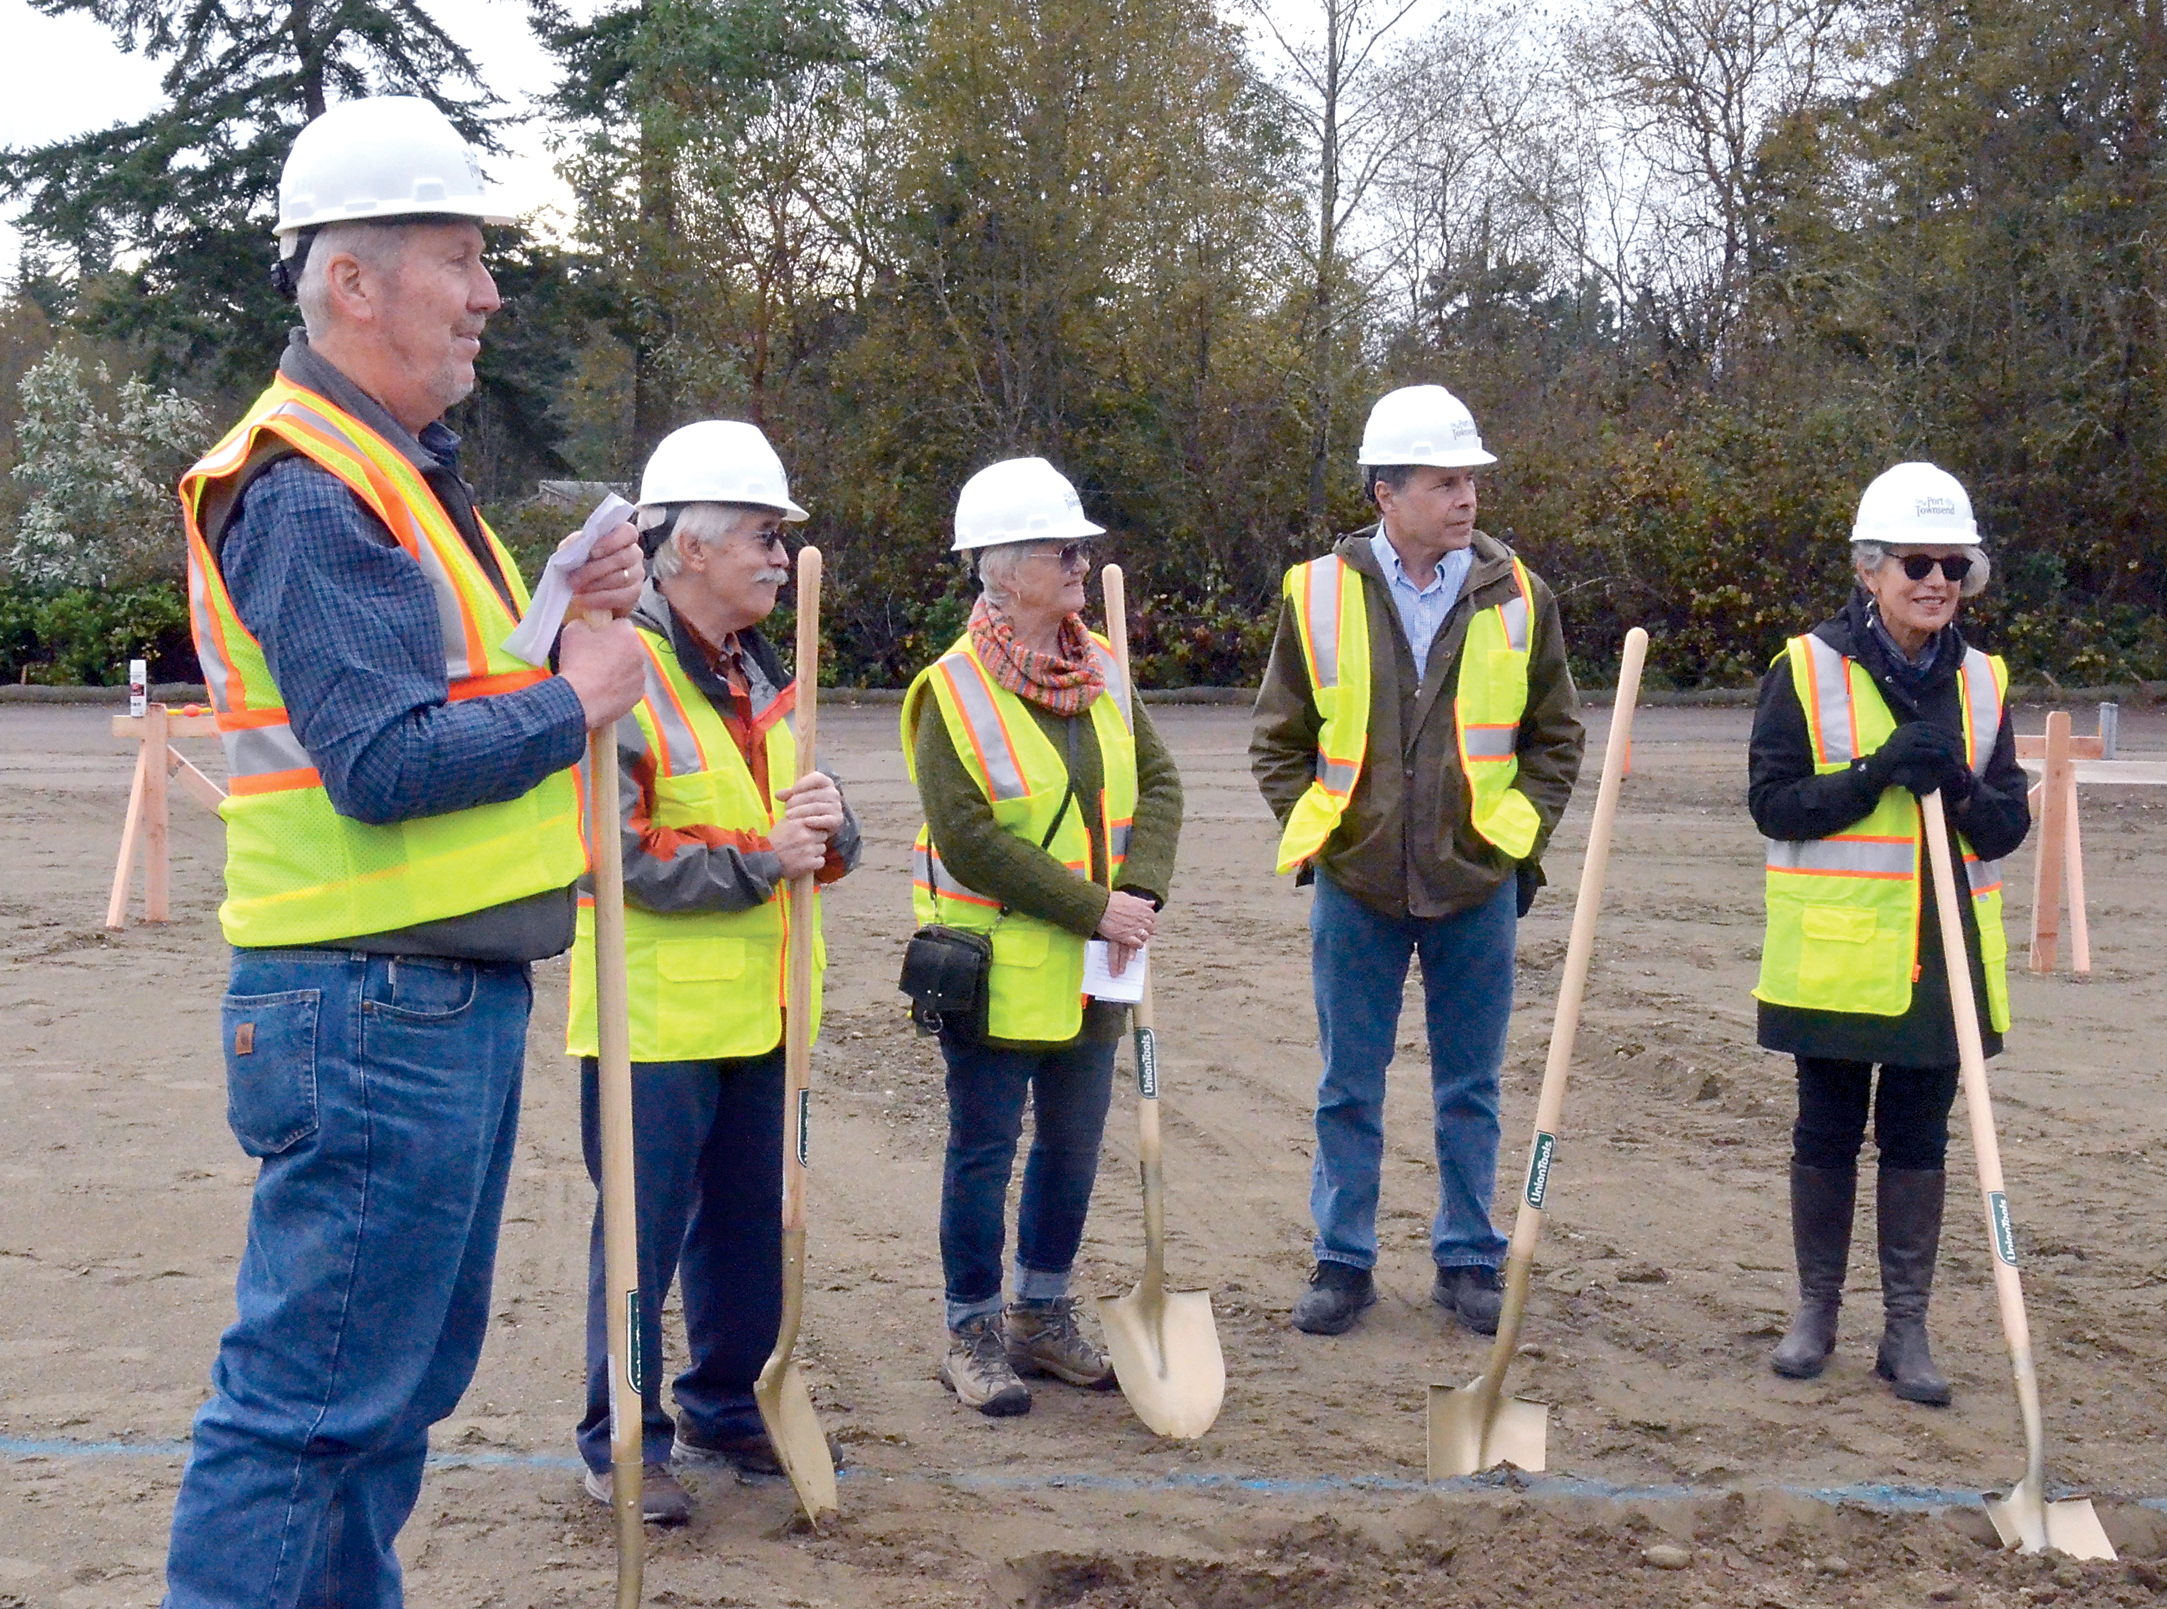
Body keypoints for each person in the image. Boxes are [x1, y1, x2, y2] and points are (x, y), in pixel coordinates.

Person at [165, 96, 648, 1604]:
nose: (490, 293)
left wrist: (559, 606)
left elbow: (431, 694)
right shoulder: (307, 484)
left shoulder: (391, 472)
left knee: (375, 1402)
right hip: (371, 1006)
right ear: (351, 284)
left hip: (413, 1001)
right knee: (315, 1409)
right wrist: (575, 700)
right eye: (459, 256)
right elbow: (380, 760)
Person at [564, 420, 860, 1522]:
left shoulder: (766, 672)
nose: (779, 555)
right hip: (652, 1023)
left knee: (750, 1229)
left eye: (782, 537)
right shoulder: (619, 669)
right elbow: (611, 852)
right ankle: (621, 1440)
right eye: (760, 534)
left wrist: (830, 834)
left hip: (766, 1008)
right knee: (638, 1247)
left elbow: (812, 834)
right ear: (684, 547)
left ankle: (729, 1409)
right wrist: (758, 862)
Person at [1252, 384, 1584, 1338]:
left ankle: (1467, 1258)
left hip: (1475, 884)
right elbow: (1278, 736)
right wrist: (1324, 830)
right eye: (1444, 482)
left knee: (1469, 1086)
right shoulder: (1314, 593)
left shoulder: (1521, 598)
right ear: (1385, 494)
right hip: (1356, 886)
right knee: (1346, 1084)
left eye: (1469, 480)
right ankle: (1342, 1259)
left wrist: (1514, 840)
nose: (1466, 498)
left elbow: (1554, 737)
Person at [902, 456, 1184, 1415]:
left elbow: (1162, 786)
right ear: (1003, 570)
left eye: (1077, 549)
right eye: (1061, 550)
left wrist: (1136, 893)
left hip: (1098, 964)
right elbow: (967, 837)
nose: (1079, 562)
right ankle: (971, 1328)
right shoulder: (950, 689)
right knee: (983, 1150)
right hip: (993, 966)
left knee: (1072, 1147)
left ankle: (1042, 1314)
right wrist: (1092, 907)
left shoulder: (1102, 670)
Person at [1751, 461, 2029, 1405]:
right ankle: (1815, 1313)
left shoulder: (1984, 682)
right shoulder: (1805, 668)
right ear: (1868, 569)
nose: (1936, 580)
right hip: (1834, 959)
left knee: (1918, 1140)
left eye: (1952, 563)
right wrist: (1875, 772)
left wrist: (1952, 781)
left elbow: (2004, 827)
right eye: (1915, 561)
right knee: (1824, 1131)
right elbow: (1772, 803)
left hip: (1940, 965)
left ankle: (1904, 1329)